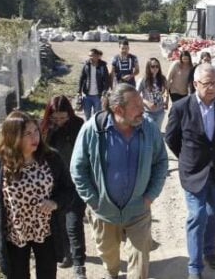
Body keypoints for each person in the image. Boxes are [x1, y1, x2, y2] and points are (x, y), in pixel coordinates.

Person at [70, 84, 168, 279]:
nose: (142, 109)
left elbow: (161, 162)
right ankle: (112, 273)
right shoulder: (93, 129)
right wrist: (92, 199)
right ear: (118, 110)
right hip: (103, 211)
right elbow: (77, 168)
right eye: (136, 106)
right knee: (109, 256)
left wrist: (150, 196)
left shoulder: (148, 129)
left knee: (140, 262)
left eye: (142, 104)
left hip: (138, 209)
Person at [0, 111, 75, 279]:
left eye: (36, 131)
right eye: (27, 134)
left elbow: (69, 190)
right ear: (13, 136)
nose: (35, 137)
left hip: (46, 233)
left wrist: (55, 203)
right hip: (14, 236)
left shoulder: (51, 158)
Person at [165, 63, 215, 279]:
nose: (212, 87)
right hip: (193, 171)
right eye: (207, 84)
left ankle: (209, 250)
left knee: (213, 215)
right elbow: (171, 138)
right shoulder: (181, 108)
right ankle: (194, 267)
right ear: (195, 83)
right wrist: (188, 157)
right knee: (197, 215)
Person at [39, 95, 87, 278]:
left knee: (74, 223)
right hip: (52, 184)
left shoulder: (78, 125)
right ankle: (66, 253)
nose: (59, 122)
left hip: (75, 182)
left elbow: (86, 152)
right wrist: (49, 130)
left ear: (70, 114)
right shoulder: (43, 128)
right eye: (55, 118)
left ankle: (79, 264)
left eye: (63, 118)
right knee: (57, 224)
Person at [137, 57, 169, 130]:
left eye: (157, 66)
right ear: (148, 67)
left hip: (160, 112)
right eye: (152, 66)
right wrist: (146, 102)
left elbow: (166, 91)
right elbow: (136, 95)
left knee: (157, 132)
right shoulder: (143, 80)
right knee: (148, 133)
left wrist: (166, 100)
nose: (155, 68)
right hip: (147, 112)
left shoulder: (162, 78)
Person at [78, 48, 110, 120]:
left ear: (98, 56)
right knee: (87, 117)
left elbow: (107, 80)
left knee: (97, 117)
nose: (90, 57)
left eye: (92, 56)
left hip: (98, 96)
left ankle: (96, 130)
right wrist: (79, 92)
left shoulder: (102, 66)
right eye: (89, 56)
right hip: (87, 96)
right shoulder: (86, 65)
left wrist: (104, 93)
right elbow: (81, 78)